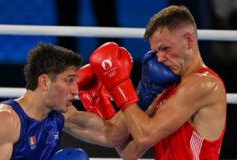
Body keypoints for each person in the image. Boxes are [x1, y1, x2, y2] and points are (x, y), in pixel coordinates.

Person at [89, 5, 227, 159]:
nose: (160, 58)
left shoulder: (203, 84)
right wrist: (104, 102)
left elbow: (145, 136)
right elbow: (129, 152)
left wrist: (120, 85)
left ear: (188, 40)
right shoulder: (168, 89)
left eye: (165, 48)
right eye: (156, 52)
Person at [0, 42, 127, 160]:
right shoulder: (6, 120)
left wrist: (141, 93)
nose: (75, 90)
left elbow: (111, 136)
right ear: (45, 82)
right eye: (69, 81)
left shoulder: (61, 114)